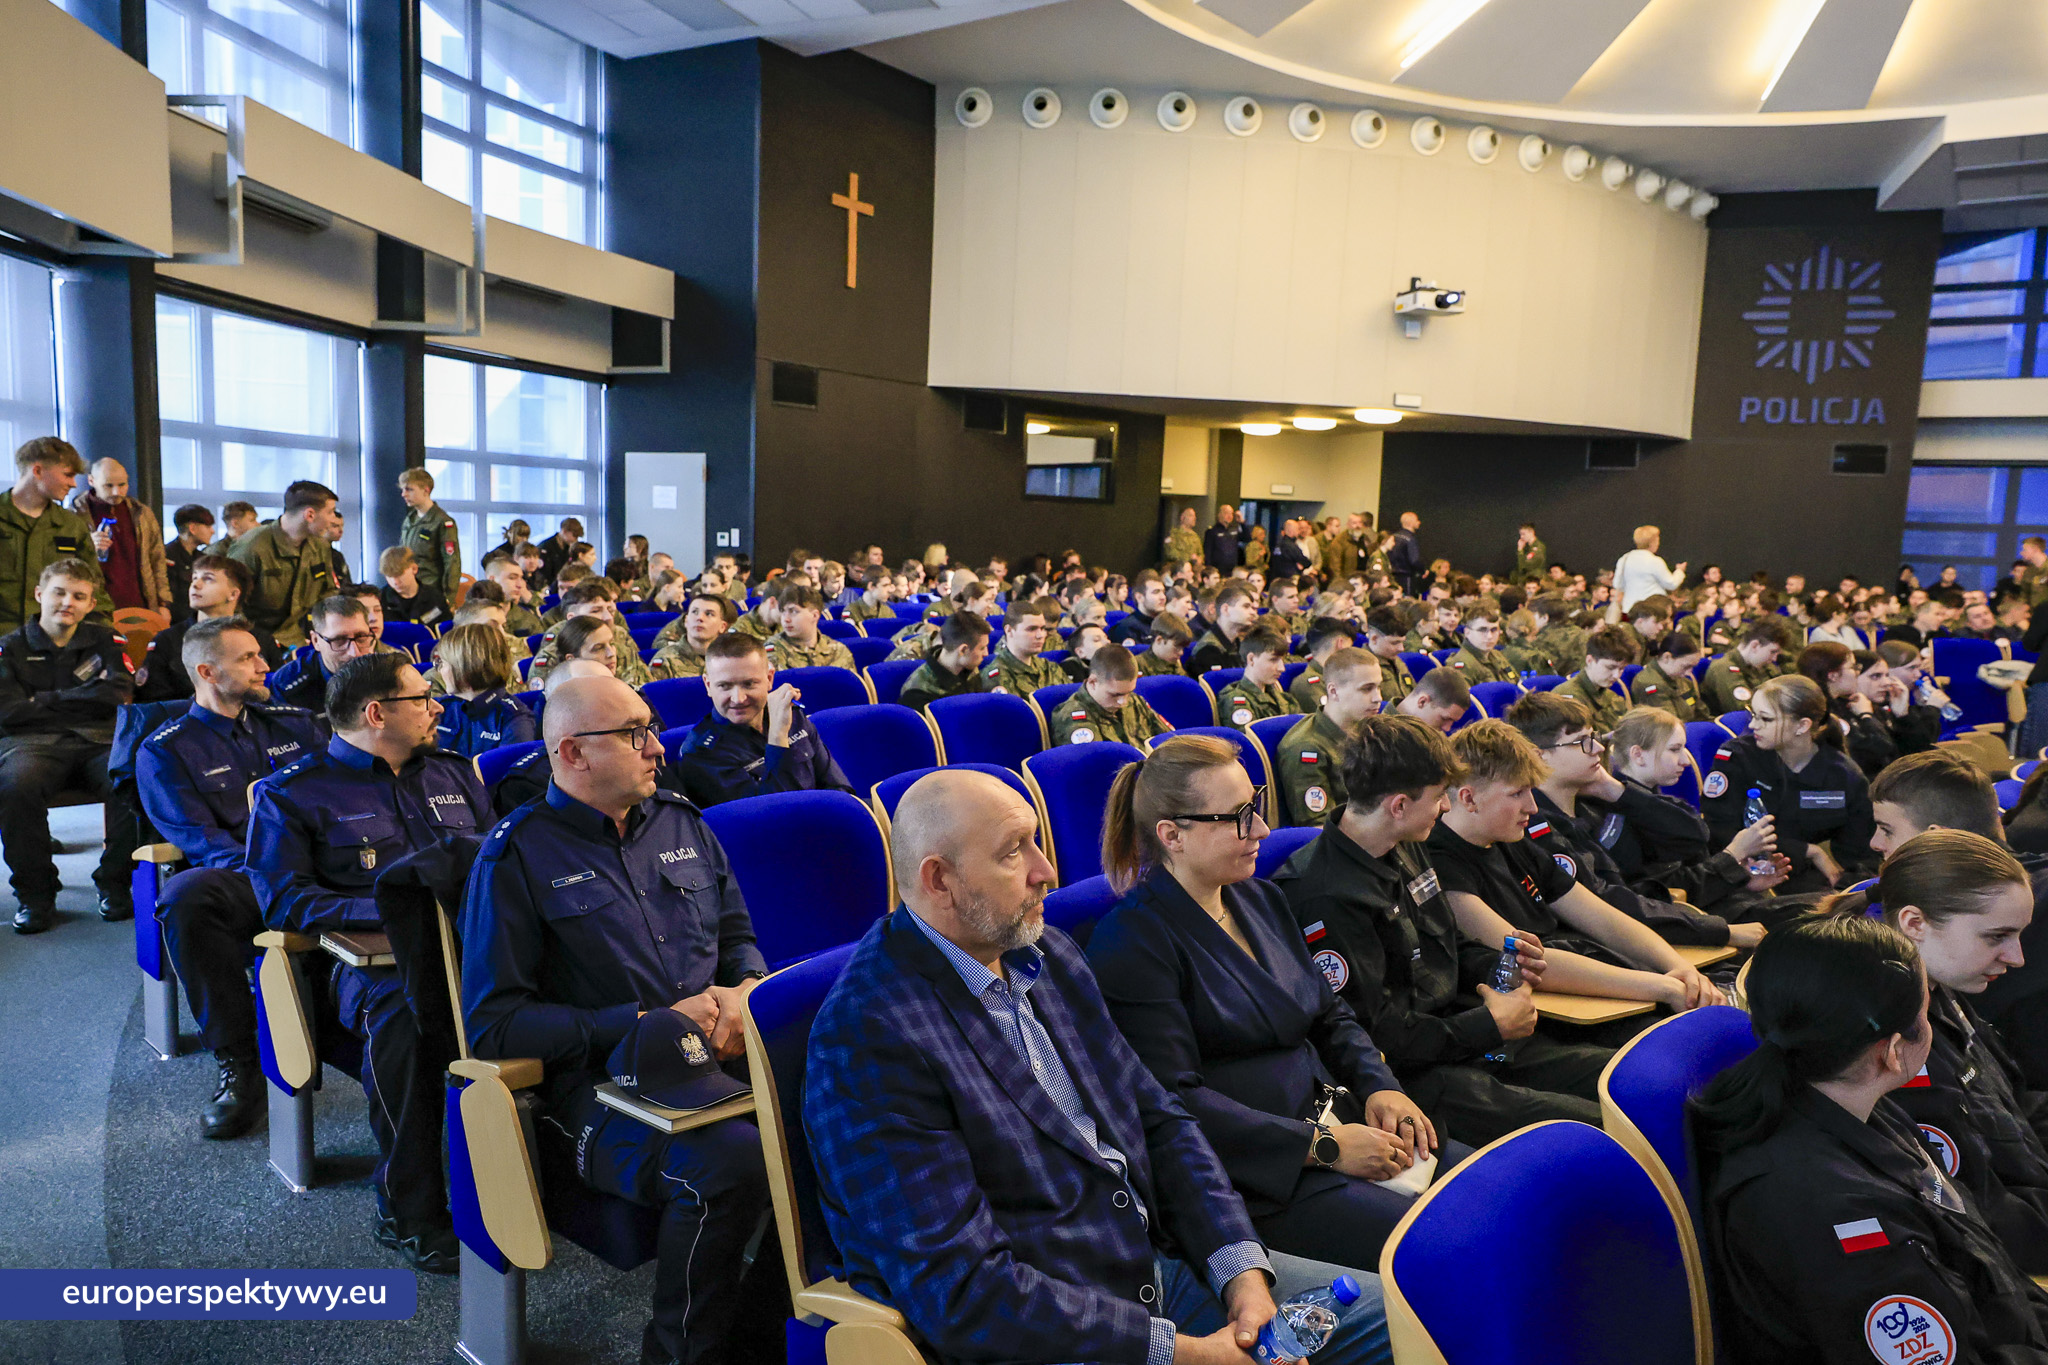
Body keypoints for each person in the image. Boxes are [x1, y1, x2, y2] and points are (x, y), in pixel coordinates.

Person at [806, 767, 1394, 1365]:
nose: (1047, 871)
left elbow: (1160, 1120)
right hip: (1068, 1337)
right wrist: (1184, 1354)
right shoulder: (869, 1035)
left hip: (1162, 1270)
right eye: (1015, 852)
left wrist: (1241, 1273)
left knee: (1421, 1318)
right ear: (940, 879)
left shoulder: (1047, 955)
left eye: (1038, 840)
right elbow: (962, 1291)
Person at [460, 675, 781, 1365]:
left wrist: (745, 991)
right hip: (597, 1090)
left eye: (651, 727)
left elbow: (737, 936)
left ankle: (759, 1336)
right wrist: (640, 1019)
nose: (657, 747)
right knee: (729, 1162)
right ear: (572, 753)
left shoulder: (682, 820)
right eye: (635, 733)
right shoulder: (515, 855)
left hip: (716, 1059)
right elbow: (494, 1026)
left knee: (840, 1116)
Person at [1087, 735, 1451, 1265]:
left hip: (1340, 1117)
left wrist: (1380, 1085)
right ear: (1173, 835)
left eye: (1255, 805)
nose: (1261, 829)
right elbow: (1174, 1102)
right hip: (1263, 1177)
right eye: (1238, 816)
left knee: (1488, 1195)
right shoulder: (1132, 942)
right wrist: (1323, 1148)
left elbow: (1329, 1011)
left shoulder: (1259, 897)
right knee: (1444, 1247)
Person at [1693, 914, 2048, 1364]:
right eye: (1925, 1010)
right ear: (1894, 1051)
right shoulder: (1834, 1216)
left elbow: (1985, 1266)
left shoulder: (1852, 1107)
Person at [246, 652, 490, 1272]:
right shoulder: (294, 793)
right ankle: (408, 1205)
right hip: (367, 966)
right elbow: (283, 898)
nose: (438, 708)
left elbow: (495, 862)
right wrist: (396, 910)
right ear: (377, 713)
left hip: (473, 948)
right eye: (423, 698)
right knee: (408, 1023)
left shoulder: (453, 773)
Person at [1276, 715, 1613, 1146]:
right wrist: (1488, 1025)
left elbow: (1444, 942)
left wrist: (1504, 963)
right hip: (1414, 1077)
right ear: (1398, 806)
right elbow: (1374, 1034)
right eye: (1439, 796)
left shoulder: (1407, 842)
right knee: (1600, 1126)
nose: (1447, 806)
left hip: (1465, 1036)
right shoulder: (1325, 896)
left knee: (1623, 1082)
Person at [135, 616, 320, 1138]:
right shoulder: (165, 749)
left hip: (325, 869)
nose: (265, 665)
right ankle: (239, 1063)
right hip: (249, 877)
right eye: (248, 658)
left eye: (261, 654)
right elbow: (202, 842)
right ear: (207, 671)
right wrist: (273, 874)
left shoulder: (296, 723)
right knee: (186, 897)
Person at [1844, 830, 2048, 1271]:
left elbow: (2013, 1104)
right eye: (1997, 936)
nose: (2017, 958)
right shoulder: (1897, 1047)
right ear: (1914, 924)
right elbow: (1982, 1222)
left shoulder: (1938, 991)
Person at [1427, 720, 1724, 1018]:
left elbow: (1601, 917)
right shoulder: (1442, 862)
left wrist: (1679, 968)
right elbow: (1529, 962)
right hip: (1540, 1007)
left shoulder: (1509, 838)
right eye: (1517, 793)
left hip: (1583, 981)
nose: (1531, 807)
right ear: (1468, 798)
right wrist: (1662, 987)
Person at [1506, 692, 1761, 950]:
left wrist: (1614, 789)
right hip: (1621, 944)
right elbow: (1608, 904)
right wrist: (1718, 930)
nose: (1599, 748)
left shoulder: (1594, 801)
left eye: (1593, 737)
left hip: (1660, 921)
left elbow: (1692, 838)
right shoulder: (1535, 827)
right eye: (1582, 742)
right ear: (1538, 756)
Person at [0, 558, 137, 931]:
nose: (67, 602)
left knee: (134, 778)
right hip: (32, 744)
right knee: (15, 788)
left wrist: (41, 700)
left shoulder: (107, 640)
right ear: (39, 594)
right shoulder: (8, 649)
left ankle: (116, 884)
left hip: (99, 740)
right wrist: (83, 695)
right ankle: (36, 895)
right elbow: (7, 712)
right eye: (59, 592)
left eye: (79, 596)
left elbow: (118, 695)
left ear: (91, 604)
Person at [1602, 707, 1800, 926]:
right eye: (1674, 749)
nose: (1685, 761)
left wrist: (1741, 879)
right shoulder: (1623, 816)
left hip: (1724, 903)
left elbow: (1692, 871)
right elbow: (1666, 894)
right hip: (1704, 921)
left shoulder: (1653, 801)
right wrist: (1733, 855)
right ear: (1638, 755)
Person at [1704, 674, 1877, 894]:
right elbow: (1720, 830)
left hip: (1811, 880)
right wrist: (1808, 850)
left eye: (1765, 719)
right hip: (1746, 874)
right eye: (1754, 715)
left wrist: (1847, 891)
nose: (1753, 725)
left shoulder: (1843, 775)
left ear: (1802, 726)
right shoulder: (1737, 757)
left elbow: (1861, 852)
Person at [662, 633, 850, 808]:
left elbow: (840, 789)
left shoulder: (792, 715)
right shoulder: (700, 753)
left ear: (769, 679)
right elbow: (773, 816)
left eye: (749, 684)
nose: (738, 698)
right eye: (724, 686)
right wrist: (778, 735)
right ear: (708, 685)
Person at [136, 554, 284, 702]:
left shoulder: (261, 641)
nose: (195, 585)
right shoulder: (168, 640)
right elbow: (153, 701)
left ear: (233, 594)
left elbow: (278, 692)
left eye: (208, 579)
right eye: (194, 578)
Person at [1, 437, 112, 631]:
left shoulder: (71, 526)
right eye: (68, 475)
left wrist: (103, 637)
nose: (73, 484)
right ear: (37, 471)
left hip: (53, 643)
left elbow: (93, 588)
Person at [226, 479, 341, 648]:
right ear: (309, 515)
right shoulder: (251, 547)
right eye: (331, 512)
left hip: (294, 638)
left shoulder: (320, 546)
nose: (333, 519)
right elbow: (229, 604)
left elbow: (327, 594)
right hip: (252, 639)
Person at [1277, 650, 1384, 826]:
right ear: (1333, 691)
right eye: (1367, 688)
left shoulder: (1369, 729)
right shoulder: (1307, 748)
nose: (1378, 698)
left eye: (1378, 687)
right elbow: (1319, 827)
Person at [72, 457, 169, 613]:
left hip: (141, 604)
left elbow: (157, 559)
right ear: (91, 481)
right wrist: (87, 547)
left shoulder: (142, 513)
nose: (117, 492)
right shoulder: (74, 515)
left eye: (122, 485)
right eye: (108, 485)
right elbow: (63, 565)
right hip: (95, 607)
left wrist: (163, 603)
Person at [431, 623, 536, 757]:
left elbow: (508, 776)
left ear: (465, 666)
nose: (440, 670)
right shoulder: (438, 708)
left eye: (443, 663)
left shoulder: (514, 719)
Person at [1798, 642, 1898, 779]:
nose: (1857, 673)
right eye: (1853, 667)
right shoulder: (1821, 713)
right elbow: (1880, 748)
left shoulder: (1843, 704)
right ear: (1832, 675)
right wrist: (1867, 715)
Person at [267, 594, 383, 710]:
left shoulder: (389, 672)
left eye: (361, 638)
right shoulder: (287, 686)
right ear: (316, 640)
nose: (354, 653)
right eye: (339, 640)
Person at [1050, 643, 1174, 747]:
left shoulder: (1136, 701)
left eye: (1128, 693)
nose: (1123, 702)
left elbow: (1169, 741)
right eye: (1115, 695)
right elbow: (1095, 765)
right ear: (1093, 682)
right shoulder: (1073, 715)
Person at [899, 611, 993, 713]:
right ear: (963, 650)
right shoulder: (918, 693)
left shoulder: (969, 668)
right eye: (982, 648)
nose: (986, 653)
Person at [1554, 624, 1635, 733]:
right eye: (1610, 667)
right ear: (1590, 660)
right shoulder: (1568, 698)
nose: (1617, 675)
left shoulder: (1610, 695)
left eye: (1621, 669)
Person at [1216, 627, 1297, 733]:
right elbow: (1252, 741)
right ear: (1251, 659)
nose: (1282, 668)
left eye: (1282, 660)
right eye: (1273, 660)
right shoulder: (1237, 701)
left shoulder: (1284, 698)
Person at [761, 583, 855, 672]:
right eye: (783, 612)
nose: (786, 619)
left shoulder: (838, 651)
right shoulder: (774, 648)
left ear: (814, 616)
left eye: (793, 612)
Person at [982, 598, 1066, 696]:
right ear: (1009, 631)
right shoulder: (997, 674)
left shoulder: (1049, 667)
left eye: (1043, 628)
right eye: (1032, 629)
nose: (1040, 635)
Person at [650, 594, 733, 680]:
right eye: (694, 612)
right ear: (686, 621)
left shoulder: (732, 659)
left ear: (722, 627)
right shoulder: (666, 660)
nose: (700, 618)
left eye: (709, 614)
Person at [1627, 632, 1706, 722]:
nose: (1689, 672)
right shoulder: (1648, 684)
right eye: (1686, 666)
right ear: (1667, 657)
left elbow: (1702, 715)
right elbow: (1669, 726)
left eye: (1692, 667)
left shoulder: (1682, 679)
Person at [1186, 582, 1257, 677]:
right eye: (1246, 606)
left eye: (1252, 608)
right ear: (1225, 609)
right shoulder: (1208, 650)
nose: (1253, 612)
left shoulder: (1237, 643)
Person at [1614, 525, 1685, 612]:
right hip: (1652, 609)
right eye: (1657, 540)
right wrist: (1679, 571)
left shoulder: (1624, 559)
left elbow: (1617, 584)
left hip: (1629, 608)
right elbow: (1671, 584)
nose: (1658, 543)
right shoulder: (1654, 561)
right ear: (1652, 542)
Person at [164, 504, 215, 624]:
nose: (212, 531)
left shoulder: (203, 559)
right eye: (208, 526)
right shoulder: (166, 556)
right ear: (192, 528)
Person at [1391, 666, 1471, 736]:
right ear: (1422, 702)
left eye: (1453, 721)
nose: (1447, 728)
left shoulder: (1425, 733)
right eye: (1444, 718)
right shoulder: (1386, 738)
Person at [1446, 604, 1516, 683]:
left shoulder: (1497, 655)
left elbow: (1516, 681)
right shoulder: (1462, 665)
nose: (1489, 636)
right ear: (1467, 632)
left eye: (1494, 630)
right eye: (1482, 630)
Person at [1112, 570, 1169, 647]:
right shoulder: (1127, 629)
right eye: (1156, 592)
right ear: (1139, 597)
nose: (1163, 597)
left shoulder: (1167, 624)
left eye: (1163, 592)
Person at [1138, 611, 1194, 678]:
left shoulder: (1175, 664)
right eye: (1176, 647)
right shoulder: (1137, 667)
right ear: (1159, 640)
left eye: (1182, 648)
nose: (1181, 653)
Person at [536, 516, 584, 588]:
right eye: (574, 536)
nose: (575, 540)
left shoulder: (569, 548)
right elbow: (542, 573)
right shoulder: (545, 547)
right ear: (564, 531)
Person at [1387, 512, 1422, 593]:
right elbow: (1414, 561)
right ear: (1411, 523)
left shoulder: (1393, 536)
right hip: (1407, 577)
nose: (1419, 522)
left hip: (1391, 576)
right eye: (1417, 520)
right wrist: (1422, 571)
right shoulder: (1410, 539)